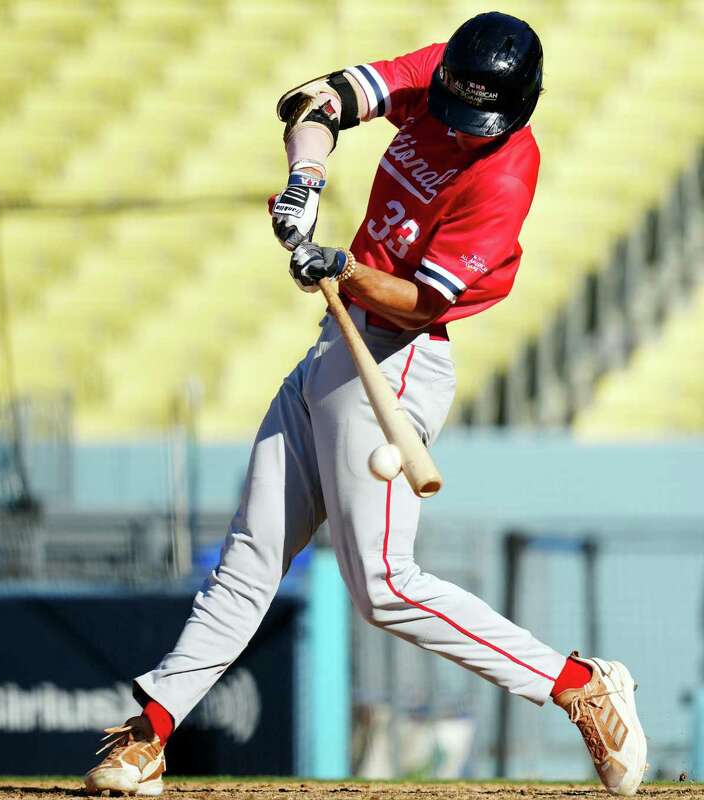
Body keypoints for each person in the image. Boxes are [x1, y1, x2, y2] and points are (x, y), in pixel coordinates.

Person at [84, 12, 646, 798]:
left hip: (398, 358)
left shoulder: (506, 172)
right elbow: (315, 102)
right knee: (248, 559)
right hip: (334, 350)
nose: (457, 122)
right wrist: (305, 182)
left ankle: (578, 685)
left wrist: (341, 267)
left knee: (384, 585)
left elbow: (421, 302)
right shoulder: (440, 74)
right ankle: (147, 739)